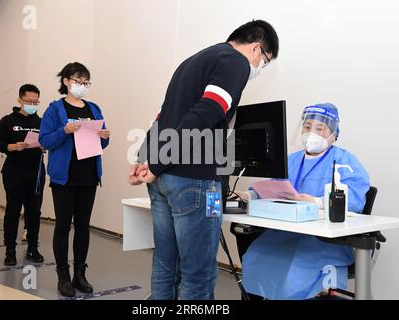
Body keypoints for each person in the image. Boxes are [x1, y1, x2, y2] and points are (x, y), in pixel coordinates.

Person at [128, 20, 279, 300]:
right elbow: (206, 113)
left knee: (165, 265)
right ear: (256, 48)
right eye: (265, 61)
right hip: (194, 181)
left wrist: (148, 160)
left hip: (163, 180)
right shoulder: (236, 63)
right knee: (197, 274)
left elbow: (163, 117)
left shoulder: (193, 61)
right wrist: (157, 163)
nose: (260, 68)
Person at [238, 103, 370, 300]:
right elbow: (274, 186)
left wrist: (317, 202)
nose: (311, 133)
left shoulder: (344, 162)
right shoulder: (291, 160)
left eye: (319, 128)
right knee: (256, 256)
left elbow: (356, 199)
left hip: (323, 241)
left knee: (293, 266)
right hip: (286, 233)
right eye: (307, 127)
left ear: (334, 133)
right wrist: (250, 195)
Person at [39, 62, 110, 297]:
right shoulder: (55, 109)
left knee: (82, 226)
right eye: (78, 81)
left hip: (89, 176)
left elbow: (103, 142)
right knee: (62, 226)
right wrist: (64, 131)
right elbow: (45, 141)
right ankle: (63, 275)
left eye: (85, 82)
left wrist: (104, 136)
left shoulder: (94, 108)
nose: (81, 86)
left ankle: (80, 274)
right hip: (64, 177)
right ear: (66, 81)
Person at [0, 84, 46, 266]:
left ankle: (33, 248)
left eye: (35, 101)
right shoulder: (8, 121)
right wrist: (12, 147)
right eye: (29, 101)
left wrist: (45, 146)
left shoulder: (42, 122)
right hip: (14, 172)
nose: (32, 104)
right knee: (12, 211)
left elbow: (50, 141)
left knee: (34, 212)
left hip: (36, 172)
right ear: (19, 100)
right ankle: (10, 250)